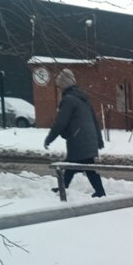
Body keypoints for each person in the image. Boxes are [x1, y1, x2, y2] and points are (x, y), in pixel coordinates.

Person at [44, 69, 106, 198]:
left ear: (64, 85)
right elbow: (95, 120)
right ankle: (65, 188)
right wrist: (98, 140)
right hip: (87, 139)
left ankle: (98, 192)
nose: (60, 90)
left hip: (79, 140)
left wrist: (49, 138)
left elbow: (60, 123)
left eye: (60, 87)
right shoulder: (83, 99)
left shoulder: (68, 100)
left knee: (75, 165)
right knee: (78, 166)